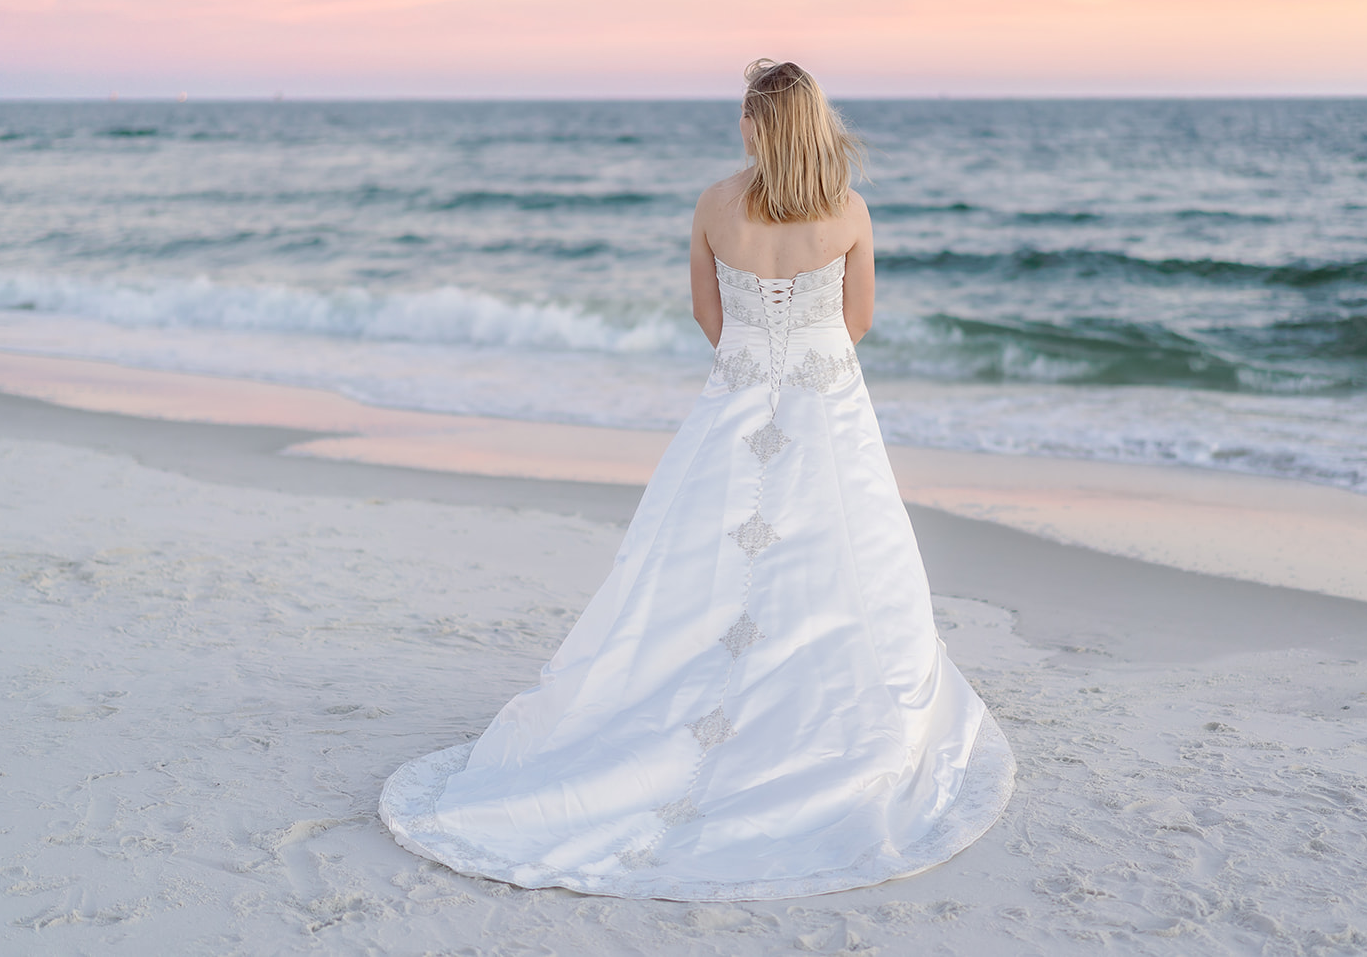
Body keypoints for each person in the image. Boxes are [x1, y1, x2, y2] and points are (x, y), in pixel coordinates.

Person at [380, 60, 1014, 901]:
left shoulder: (716, 205)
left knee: (699, 563)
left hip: (737, 398)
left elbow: (705, 313)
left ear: (759, 125)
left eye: (745, 116)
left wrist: (752, 366)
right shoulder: (848, 210)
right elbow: (857, 321)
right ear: (815, 125)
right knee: (837, 559)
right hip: (829, 401)